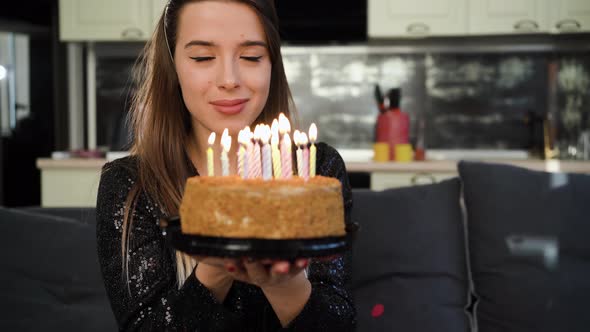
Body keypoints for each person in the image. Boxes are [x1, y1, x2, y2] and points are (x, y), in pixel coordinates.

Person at [96, 0, 356, 330]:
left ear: (272, 63)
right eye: (203, 57)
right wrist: (217, 261)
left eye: (251, 57)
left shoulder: (316, 169)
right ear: (172, 66)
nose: (230, 79)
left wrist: (284, 283)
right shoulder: (132, 184)